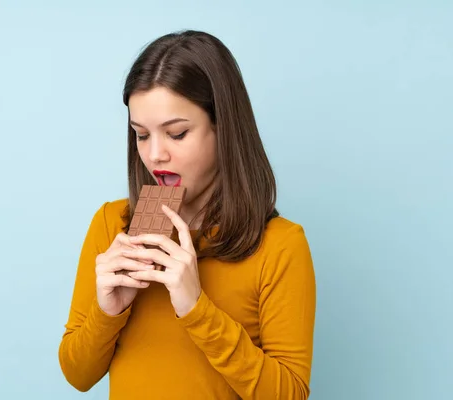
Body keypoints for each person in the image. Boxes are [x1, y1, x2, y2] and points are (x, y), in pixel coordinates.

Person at [58, 30, 317, 400]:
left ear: (223, 128)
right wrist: (108, 312)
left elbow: (289, 395)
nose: (155, 155)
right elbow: (77, 375)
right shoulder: (113, 226)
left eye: (177, 134)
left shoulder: (280, 245)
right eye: (141, 135)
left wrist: (197, 309)